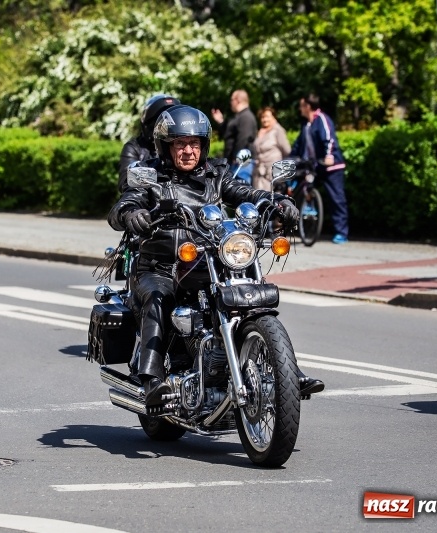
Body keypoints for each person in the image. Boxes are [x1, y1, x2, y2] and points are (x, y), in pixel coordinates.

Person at [108, 105, 324, 406]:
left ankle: (287, 372)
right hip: (160, 267)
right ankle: (152, 380)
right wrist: (132, 214)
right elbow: (124, 205)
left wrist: (277, 202)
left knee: (246, 294)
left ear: (203, 146)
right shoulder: (153, 178)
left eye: (194, 144)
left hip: (207, 261)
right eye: (180, 144)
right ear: (166, 146)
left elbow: (246, 193)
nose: (187, 151)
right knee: (160, 298)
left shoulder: (216, 175)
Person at [291, 93, 349, 244]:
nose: (299, 108)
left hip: (331, 165)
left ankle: (341, 233)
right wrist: (289, 158)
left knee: (336, 199)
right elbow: (299, 145)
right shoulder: (306, 124)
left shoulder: (322, 119)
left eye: (301, 105)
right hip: (315, 165)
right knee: (304, 186)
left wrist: (329, 156)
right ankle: (308, 212)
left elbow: (329, 138)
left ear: (308, 106)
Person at [118, 94, 181, 192]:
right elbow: (126, 182)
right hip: (149, 202)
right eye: (160, 124)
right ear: (150, 126)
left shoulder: (183, 147)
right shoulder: (135, 147)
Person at [211, 89, 258, 183]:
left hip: (242, 163)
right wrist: (221, 122)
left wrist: (237, 157)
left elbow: (244, 139)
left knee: (242, 192)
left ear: (237, 100)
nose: (230, 103)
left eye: (231, 100)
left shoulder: (246, 117)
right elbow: (230, 135)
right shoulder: (239, 116)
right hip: (236, 162)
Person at [252, 107, 291, 191]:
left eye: (267, 116)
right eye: (262, 117)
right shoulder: (260, 131)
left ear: (273, 117)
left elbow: (287, 151)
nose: (264, 119)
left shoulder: (278, 130)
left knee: (272, 200)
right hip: (259, 173)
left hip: (272, 173)